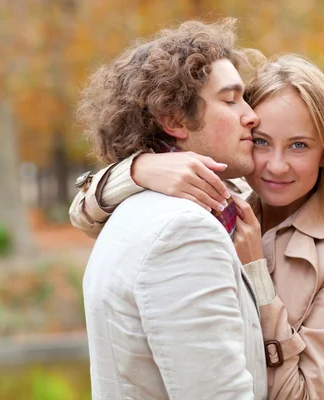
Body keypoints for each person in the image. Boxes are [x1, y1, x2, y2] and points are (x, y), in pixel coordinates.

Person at [70, 54, 324, 400]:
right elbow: (83, 212)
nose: (276, 166)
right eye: (262, 142)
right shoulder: (226, 195)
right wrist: (142, 169)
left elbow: (295, 395)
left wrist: (256, 272)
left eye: (298, 145)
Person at [76, 19, 268, 399]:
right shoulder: (184, 231)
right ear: (174, 119)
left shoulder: (148, 206)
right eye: (231, 100)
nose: (252, 115)